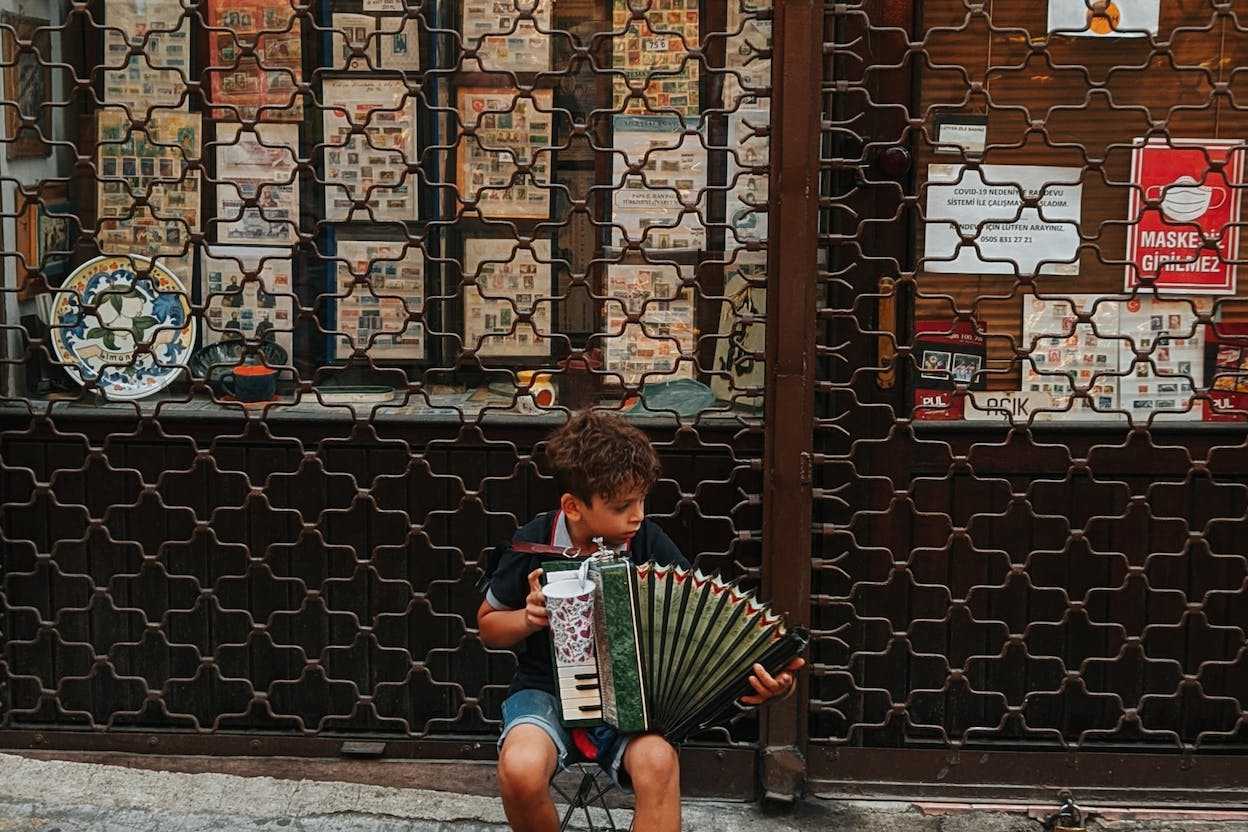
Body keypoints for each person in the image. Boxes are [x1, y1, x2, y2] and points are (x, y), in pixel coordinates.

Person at [477, 409, 804, 832]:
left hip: (634, 703)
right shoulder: (534, 543)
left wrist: (761, 682)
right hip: (546, 690)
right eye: (621, 506)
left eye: (641, 500)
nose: (637, 515)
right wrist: (528, 618)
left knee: (659, 760)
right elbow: (488, 626)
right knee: (520, 769)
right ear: (573, 507)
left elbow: (700, 633)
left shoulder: (647, 542)